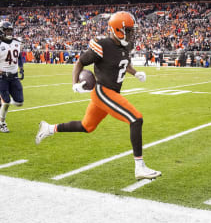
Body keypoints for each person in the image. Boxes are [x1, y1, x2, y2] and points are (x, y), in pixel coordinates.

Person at [36, 11, 161, 180]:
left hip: (110, 93)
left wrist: (136, 73)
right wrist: (74, 84)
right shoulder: (102, 45)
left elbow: (124, 63)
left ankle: (50, 128)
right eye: (129, 30)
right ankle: (139, 167)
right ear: (117, 30)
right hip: (103, 91)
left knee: (87, 126)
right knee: (136, 119)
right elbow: (80, 62)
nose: (132, 33)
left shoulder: (125, 46)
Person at [0, 21, 24, 133]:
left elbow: (18, 56)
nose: (9, 32)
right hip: (3, 77)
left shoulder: (17, 42)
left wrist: (21, 68)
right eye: (6, 30)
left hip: (14, 76)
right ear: (1, 31)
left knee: (19, 102)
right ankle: (2, 123)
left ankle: (0, 98)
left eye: (10, 30)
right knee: (7, 102)